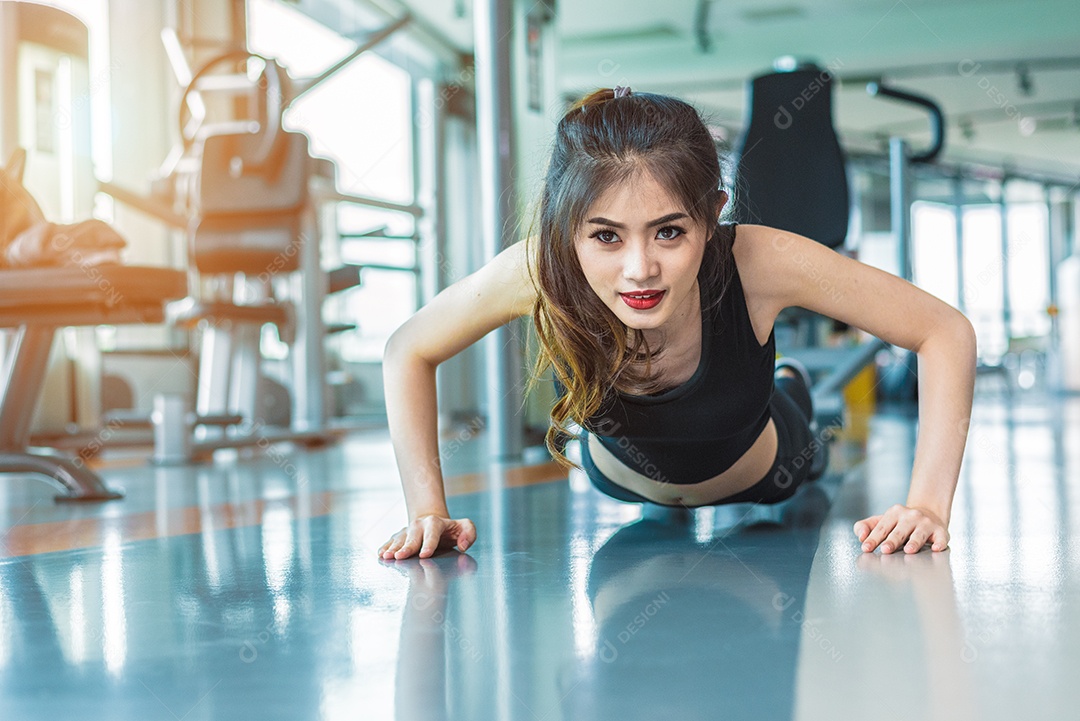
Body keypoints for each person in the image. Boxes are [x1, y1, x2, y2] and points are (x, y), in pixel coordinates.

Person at [376, 87, 976, 562]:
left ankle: (786, 383)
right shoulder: (541, 269)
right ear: (566, 227)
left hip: (765, 471)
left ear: (712, 217)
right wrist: (427, 509)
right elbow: (408, 349)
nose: (640, 269)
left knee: (802, 429)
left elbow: (944, 331)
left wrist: (927, 505)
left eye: (669, 231)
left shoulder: (759, 261)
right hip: (620, 478)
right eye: (606, 236)